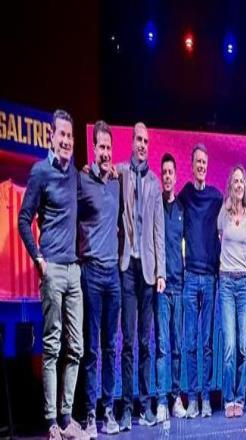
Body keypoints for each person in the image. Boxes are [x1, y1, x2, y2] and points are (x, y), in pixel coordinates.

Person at [18, 109, 89, 439]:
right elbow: (23, 219)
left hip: (74, 271)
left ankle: (67, 418)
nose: (67, 140)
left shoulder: (74, 174)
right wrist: (39, 259)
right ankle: (50, 423)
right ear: (51, 136)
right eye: (62, 134)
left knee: (76, 347)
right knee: (52, 347)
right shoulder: (40, 172)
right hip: (53, 271)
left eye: (70, 136)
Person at [118, 122, 166, 430]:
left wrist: (161, 271)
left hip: (147, 270)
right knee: (128, 342)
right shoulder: (120, 172)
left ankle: (146, 406)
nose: (142, 145)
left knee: (146, 342)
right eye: (138, 139)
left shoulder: (155, 183)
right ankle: (125, 408)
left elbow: (159, 230)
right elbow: (101, 173)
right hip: (126, 266)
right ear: (132, 141)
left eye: (146, 141)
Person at [78, 121, 121, 437]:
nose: (105, 153)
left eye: (109, 147)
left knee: (110, 347)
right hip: (91, 272)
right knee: (91, 349)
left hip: (113, 274)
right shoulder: (82, 180)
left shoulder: (117, 181)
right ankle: (90, 415)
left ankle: (108, 411)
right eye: (101, 147)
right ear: (94, 148)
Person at [178, 143, 223, 418]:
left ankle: (206, 397)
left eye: (205, 162)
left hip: (209, 278)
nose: (201, 166)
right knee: (190, 342)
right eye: (198, 162)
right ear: (192, 164)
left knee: (206, 343)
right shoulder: (184, 194)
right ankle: (192, 398)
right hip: (189, 278)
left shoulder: (217, 197)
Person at [217, 165, 246, 418]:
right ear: (230, 186)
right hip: (227, 282)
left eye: (242, 181)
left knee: (241, 346)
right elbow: (219, 237)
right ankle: (228, 398)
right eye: (235, 182)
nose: (239, 185)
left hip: (244, 283)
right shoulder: (224, 213)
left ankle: (240, 397)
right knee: (229, 345)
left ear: (245, 186)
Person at [154, 153, 187, 421]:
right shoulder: (155, 207)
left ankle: (176, 398)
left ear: (176, 177)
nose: (167, 177)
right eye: (163, 172)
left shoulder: (182, 210)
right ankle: (161, 400)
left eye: (170, 173)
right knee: (163, 347)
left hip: (180, 286)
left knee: (177, 347)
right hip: (161, 289)